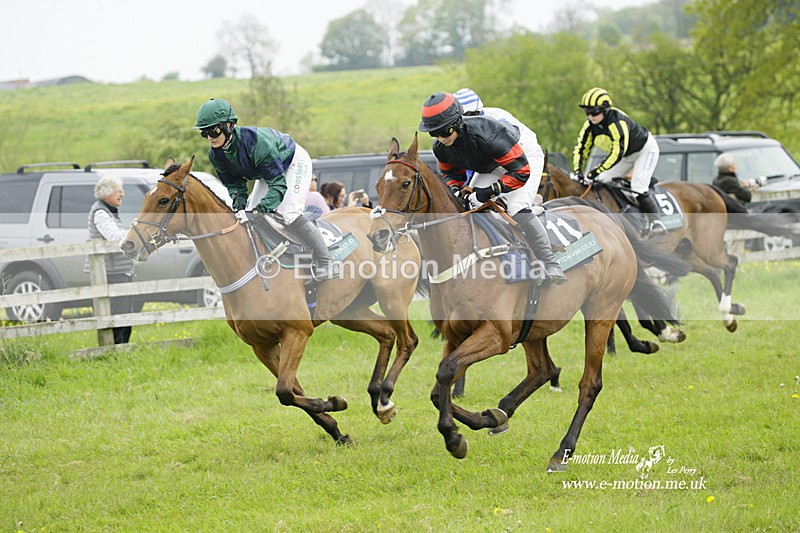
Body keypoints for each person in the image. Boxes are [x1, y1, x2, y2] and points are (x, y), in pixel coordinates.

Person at [419, 91, 566, 284]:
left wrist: (488, 192)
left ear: (457, 123)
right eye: (434, 133)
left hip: (523, 156)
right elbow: (451, 175)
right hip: (491, 161)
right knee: (467, 206)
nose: (441, 138)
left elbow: (521, 172)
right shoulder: (441, 147)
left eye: (444, 132)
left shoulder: (487, 133)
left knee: (515, 207)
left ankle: (549, 262)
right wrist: (455, 190)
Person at [195, 97, 337, 281]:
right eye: (204, 132)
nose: (209, 137)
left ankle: (326, 262)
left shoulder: (256, 143)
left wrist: (259, 210)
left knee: (290, 213)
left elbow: (278, 184)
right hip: (266, 171)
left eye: (213, 131)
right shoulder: (216, 155)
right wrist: (240, 208)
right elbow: (235, 185)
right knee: (249, 215)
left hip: (293, 162)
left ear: (228, 126)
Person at [572, 87, 665, 236]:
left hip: (645, 150)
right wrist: (578, 170)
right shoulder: (589, 126)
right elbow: (581, 148)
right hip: (626, 156)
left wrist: (595, 171)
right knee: (602, 181)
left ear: (605, 109)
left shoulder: (617, 122)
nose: (590, 117)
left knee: (638, 187)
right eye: (587, 113)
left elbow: (617, 153)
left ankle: (656, 221)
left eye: (594, 112)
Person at [84, 175, 135, 344]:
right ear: (107, 194)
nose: (123, 195)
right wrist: (137, 233)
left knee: (125, 313)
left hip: (119, 270)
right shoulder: (100, 212)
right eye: (119, 191)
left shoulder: (108, 211)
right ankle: (116, 348)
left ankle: (122, 348)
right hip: (111, 272)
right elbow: (114, 237)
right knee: (118, 313)